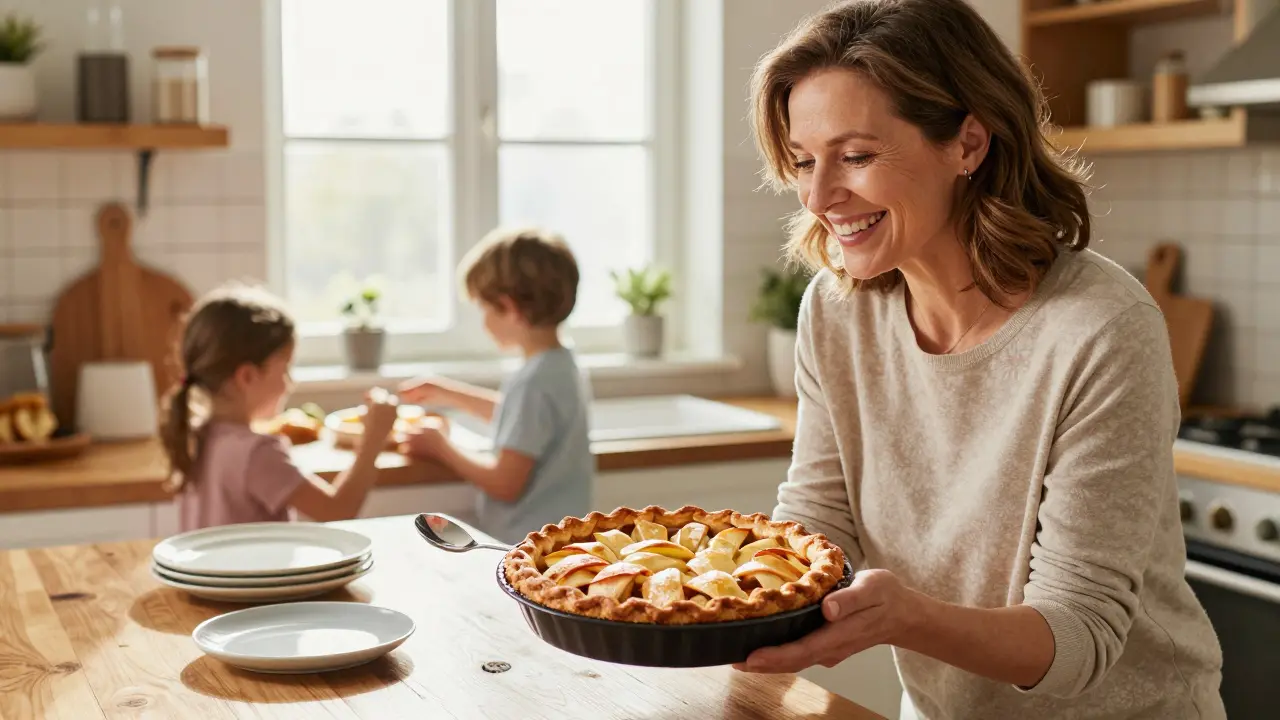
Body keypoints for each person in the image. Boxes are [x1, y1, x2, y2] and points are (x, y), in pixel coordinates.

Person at [734, 1, 1225, 718]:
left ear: (967, 143)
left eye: (858, 156)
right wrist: (721, 591)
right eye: (804, 162)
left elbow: (1080, 636)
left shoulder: (1101, 329)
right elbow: (818, 519)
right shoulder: (838, 311)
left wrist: (905, 617)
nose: (818, 196)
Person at [398, 227, 593, 545]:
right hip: (558, 541)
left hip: (522, 546)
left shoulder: (532, 382)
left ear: (511, 308)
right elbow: (525, 423)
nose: (483, 320)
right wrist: (449, 393)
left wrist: (440, 448)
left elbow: (505, 483)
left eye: (485, 308)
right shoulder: (561, 365)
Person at [160, 284, 399, 531]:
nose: (290, 383)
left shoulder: (197, 434)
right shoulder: (257, 453)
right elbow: (338, 509)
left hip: (208, 570)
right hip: (255, 571)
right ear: (248, 377)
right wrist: (373, 440)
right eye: (285, 369)